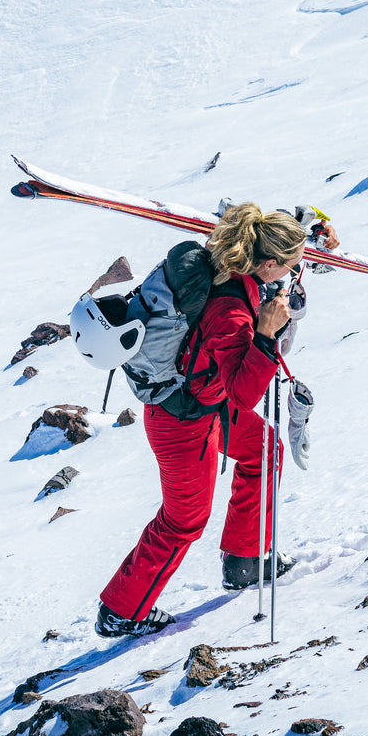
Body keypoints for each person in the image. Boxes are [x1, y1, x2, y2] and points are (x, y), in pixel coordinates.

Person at [95, 201, 338, 639]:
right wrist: (265, 336)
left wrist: (314, 230)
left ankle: (244, 562)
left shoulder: (232, 254)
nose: (292, 273)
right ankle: (121, 611)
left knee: (264, 450)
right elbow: (242, 395)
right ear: (269, 264)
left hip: (203, 399)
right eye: (290, 266)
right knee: (183, 520)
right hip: (181, 419)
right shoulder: (231, 315)